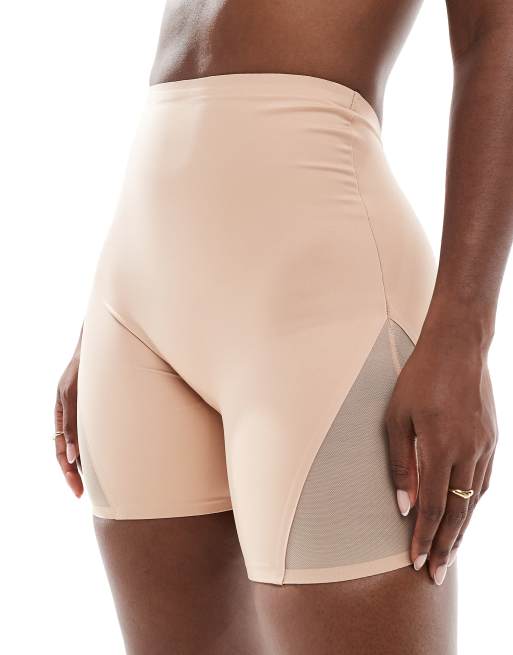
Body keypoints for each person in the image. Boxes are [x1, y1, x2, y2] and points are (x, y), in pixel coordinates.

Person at [54, 1, 511, 653]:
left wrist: (464, 334)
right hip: (134, 286)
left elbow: (495, 32)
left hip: (321, 294)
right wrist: (98, 322)